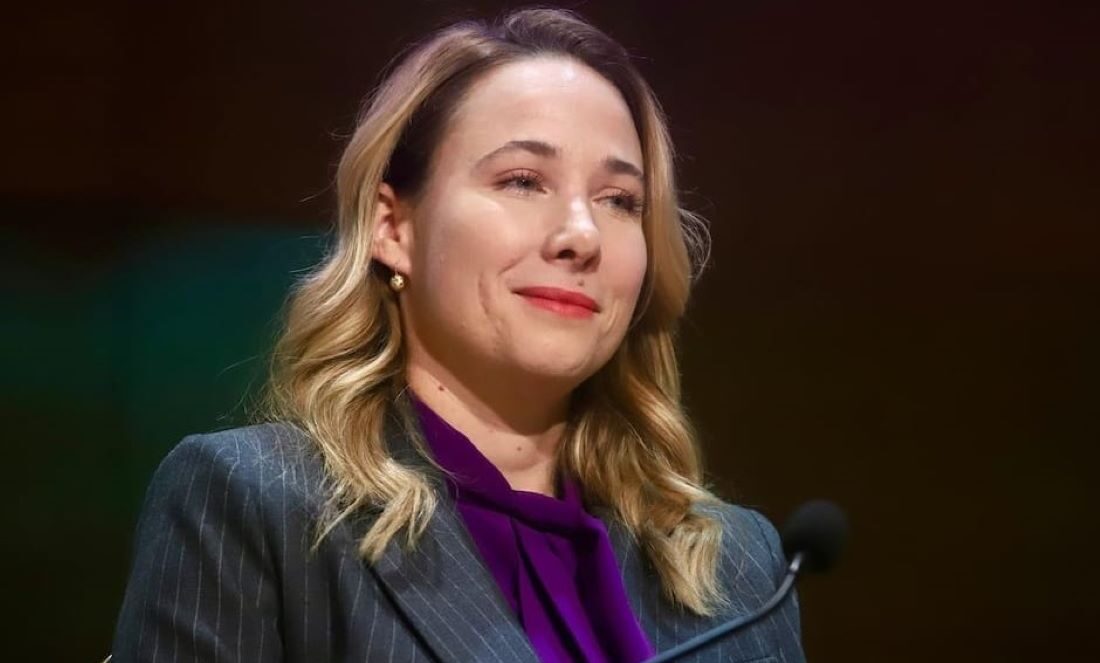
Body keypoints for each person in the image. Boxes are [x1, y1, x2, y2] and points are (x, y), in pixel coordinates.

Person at [111, 7, 804, 663]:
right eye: (523, 180)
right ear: (393, 227)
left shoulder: (742, 566)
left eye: (619, 200)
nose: (582, 234)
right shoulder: (258, 503)